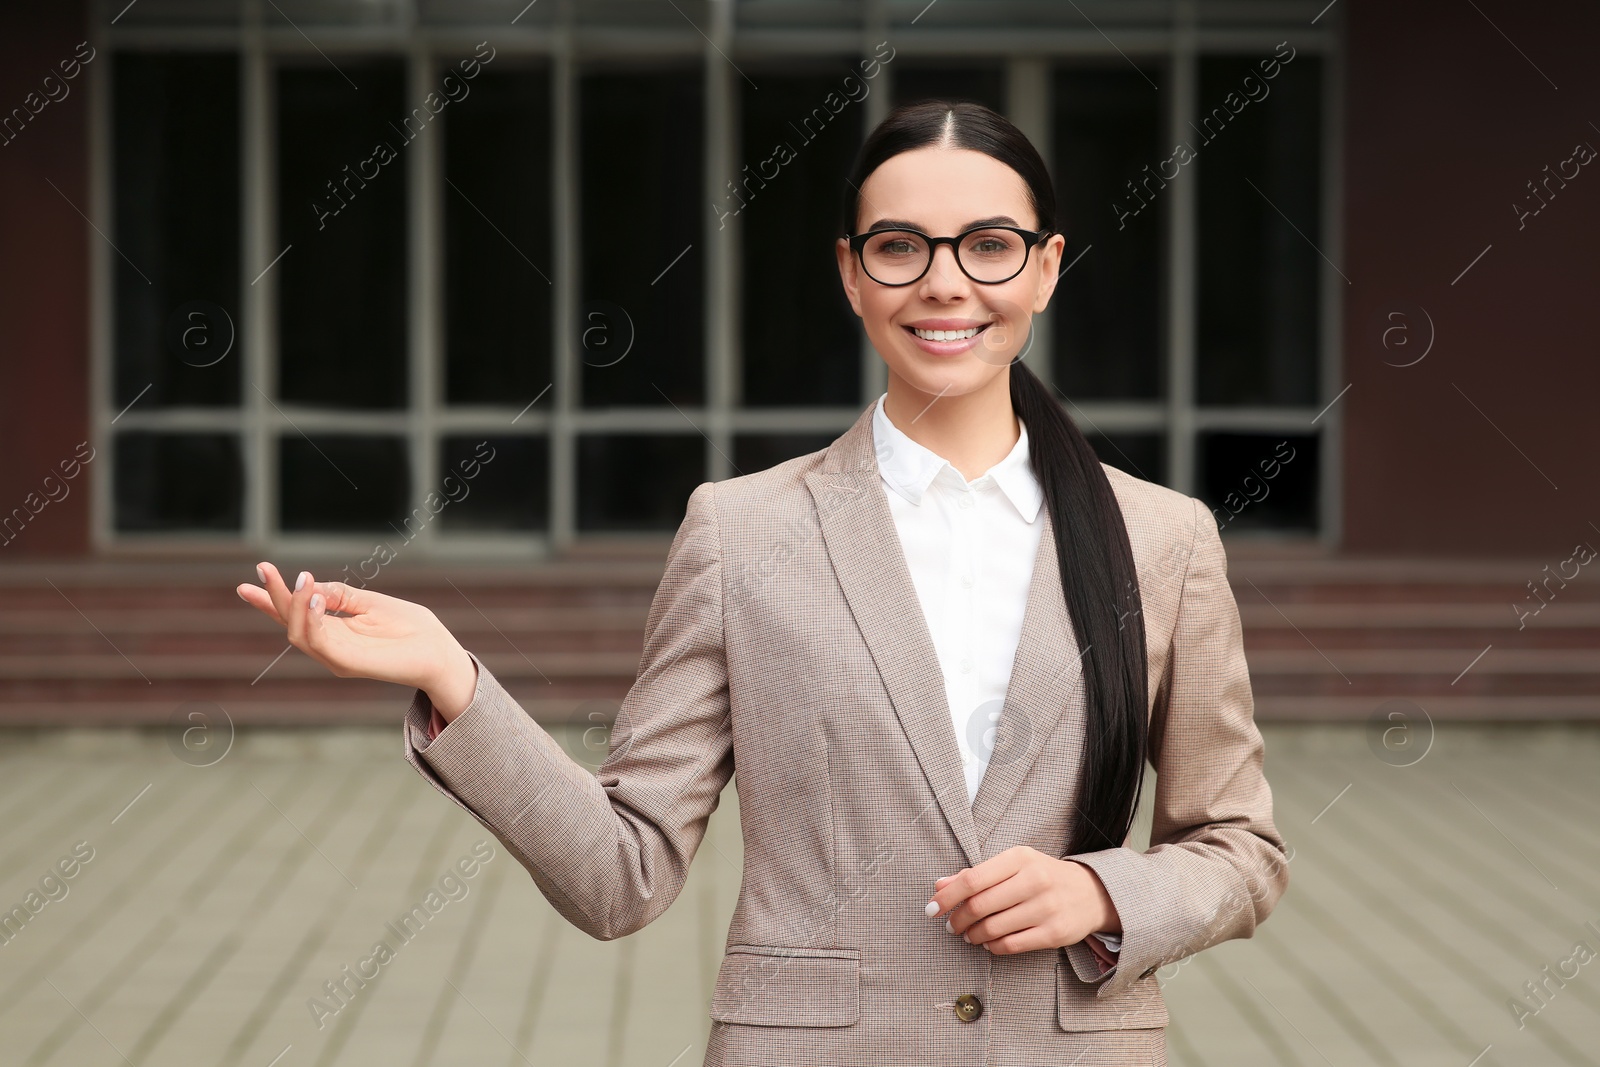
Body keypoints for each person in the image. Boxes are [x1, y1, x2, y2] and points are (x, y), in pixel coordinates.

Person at [237, 98, 1289, 1066]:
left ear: (1047, 267)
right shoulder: (743, 532)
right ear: (849, 271)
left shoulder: (1164, 538)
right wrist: (451, 678)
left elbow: (1239, 847)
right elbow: (621, 870)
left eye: (988, 246)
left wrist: (1103, 889)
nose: (944, 281)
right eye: (898, 247)